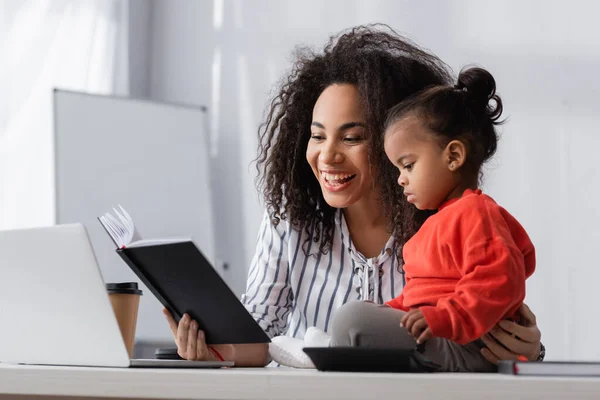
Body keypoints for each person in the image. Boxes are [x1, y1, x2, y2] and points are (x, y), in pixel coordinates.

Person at [163, 25, 544, 367]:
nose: (327, 155)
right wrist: (216, 351)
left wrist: (529, 350)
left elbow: (492, 310)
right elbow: (261, 337)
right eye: (317, 135)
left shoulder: (448, 220)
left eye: (352, 137)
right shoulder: (290, 223)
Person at [330, 67, 536, 372]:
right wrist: (391, 313)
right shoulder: (432, 227)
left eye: (408, 165)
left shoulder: (475, 213)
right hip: (438, 334)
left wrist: (445, 317)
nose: (400, 180)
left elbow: (499, 281)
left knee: (352, 321)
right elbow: (418, 297)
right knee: (358, 316)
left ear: (453, 157)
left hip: (468, 344)